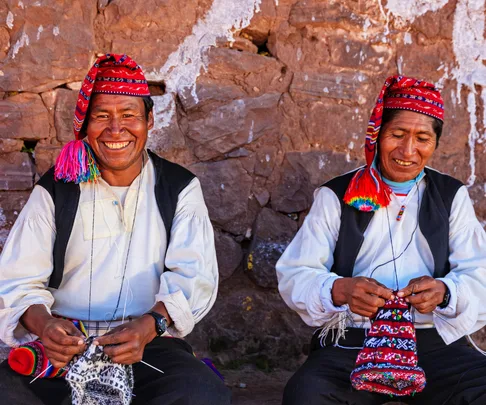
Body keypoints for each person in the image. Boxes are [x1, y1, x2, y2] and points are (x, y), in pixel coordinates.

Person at [0, 54, 230, 405]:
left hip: (146, 345)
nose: (115, 130)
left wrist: (150, 325)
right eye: (101, 116)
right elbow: (16, 279)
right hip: (63, 350)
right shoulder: (56, 189)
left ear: (149, 120)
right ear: (85, 125)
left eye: (129, 116)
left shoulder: (178, 188)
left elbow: (195, 277)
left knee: (200, 395)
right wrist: (45, 327)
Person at [277, 75, 486, 405]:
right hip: (353, 340)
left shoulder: (450, 196)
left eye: (422, 138)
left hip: (434, 341)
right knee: (308, 396)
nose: (407, 150)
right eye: (397, 135)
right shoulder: (337, 195)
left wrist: (446, 292)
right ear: (378, 135)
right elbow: (294, 274)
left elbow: (480, 274)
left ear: (435, 144)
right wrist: (340, 290)